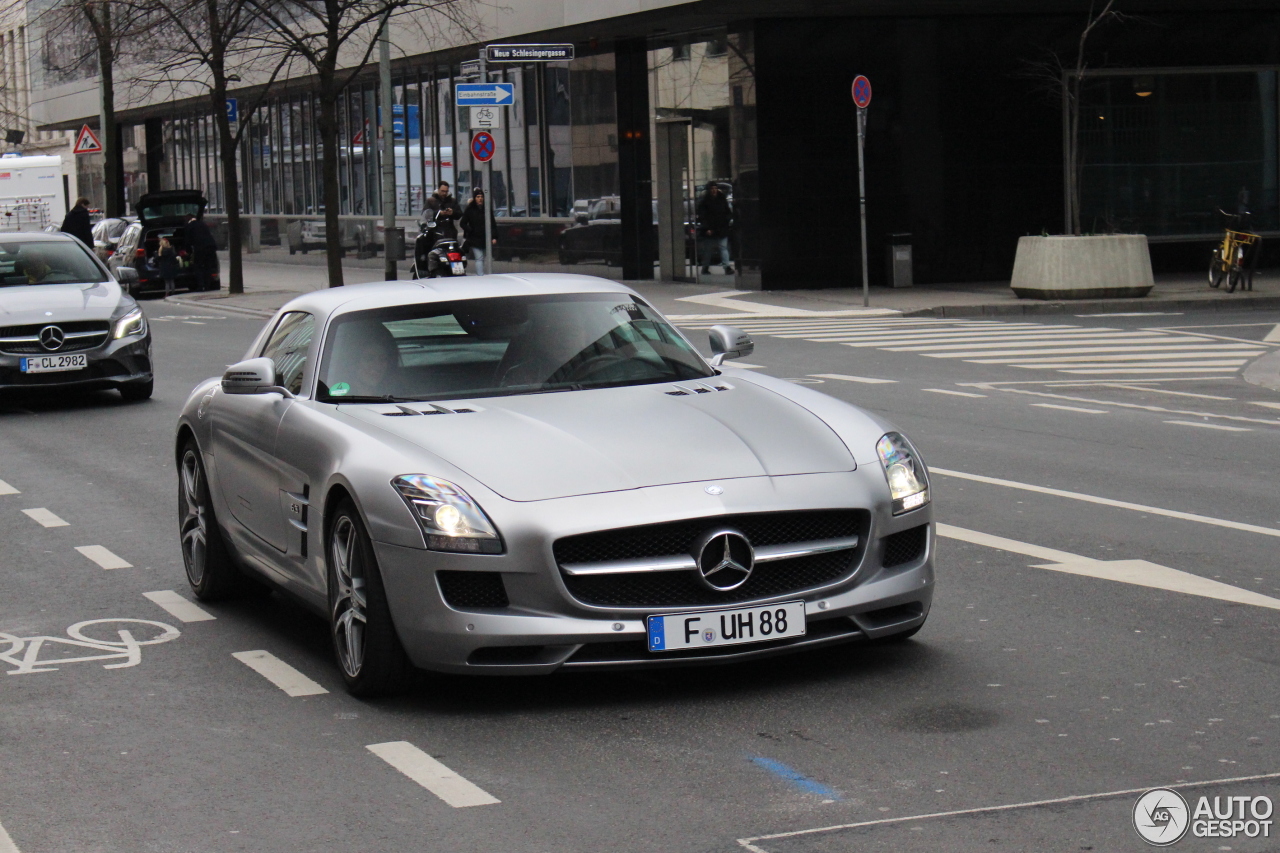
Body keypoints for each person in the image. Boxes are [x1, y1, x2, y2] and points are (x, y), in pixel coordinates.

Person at [696, 182, 734, 275]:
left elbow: (728, 213)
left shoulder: (719, 199)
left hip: (720, 227)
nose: (714, 190)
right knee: (712, 249)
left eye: (715, 188)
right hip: (714, 228)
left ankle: (725, 267)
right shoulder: (707, 201)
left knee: (720, 248)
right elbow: (702, 216)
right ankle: (707, 267)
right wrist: (707, 228)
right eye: (712, 188)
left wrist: (726, 221)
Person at [460, 187, 498, 275]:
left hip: (485, 237)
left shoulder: (487, 209)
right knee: (479, 258)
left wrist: (494, 236)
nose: (480, 199)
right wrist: (470, 230)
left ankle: (482, 274)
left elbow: (492, 223)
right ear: (474, 198)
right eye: (478, 197)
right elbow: (463, 223)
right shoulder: (470, 209)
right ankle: (480, 276)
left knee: (483, 257)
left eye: (481, 196)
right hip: (474, 238)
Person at [184, 214, 218, 292]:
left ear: (188, 219)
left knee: (198, 266)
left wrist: (188, 252)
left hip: (200, 248)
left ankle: (200, 286)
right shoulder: (203, 224)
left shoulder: (190, 226)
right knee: (208, 266)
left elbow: (188, 241)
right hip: (211, 247)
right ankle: (207, 286)